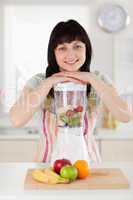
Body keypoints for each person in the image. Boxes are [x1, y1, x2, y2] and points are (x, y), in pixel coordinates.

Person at [9, 19, 131, 165]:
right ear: (53, 53)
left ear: (87, 49)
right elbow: (16, 119)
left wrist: (91, 79)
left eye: (77, 46)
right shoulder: (39, 82)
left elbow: (125, 115)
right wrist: (50, 82)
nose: (71, 54)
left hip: (88, 164)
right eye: (62, 48)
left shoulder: (98, 79)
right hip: (48, 165)